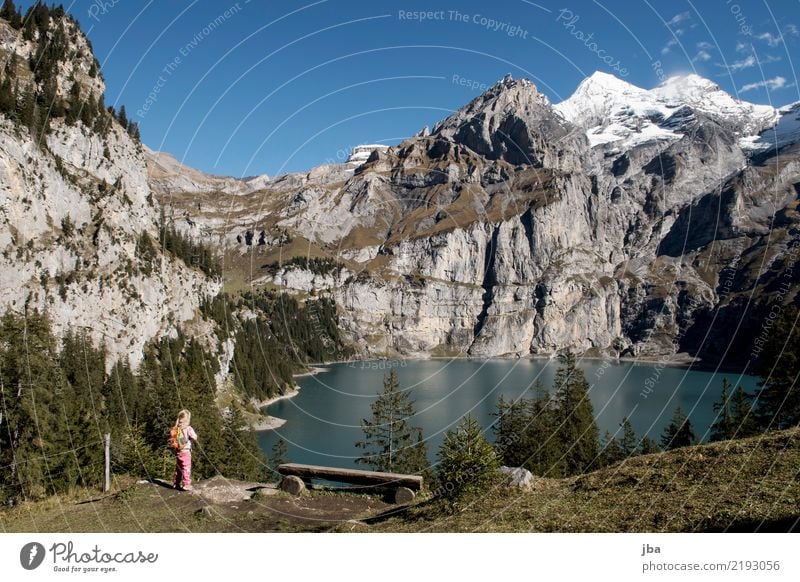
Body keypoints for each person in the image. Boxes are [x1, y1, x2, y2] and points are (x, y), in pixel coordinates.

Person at [171, 409, 199, 491]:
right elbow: (195, 437)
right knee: (186, 467)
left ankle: (176, 483)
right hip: (186, 451)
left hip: (178, 451)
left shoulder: (177, 428)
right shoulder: (188, 428)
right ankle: (186, 484)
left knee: (178, 468)